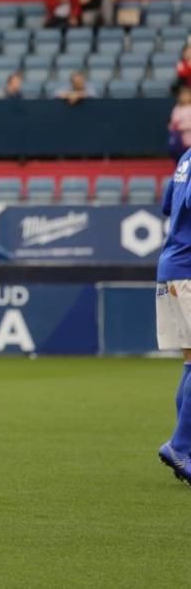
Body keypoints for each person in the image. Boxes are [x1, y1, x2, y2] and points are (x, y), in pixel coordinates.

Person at [155, 145, 191, 485]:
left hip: (172, 265)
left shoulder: (186, 157)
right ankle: (180, 447)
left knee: (190, 361)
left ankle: (185, 451)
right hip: (189, 270)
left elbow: (168, 205)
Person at [170, 86, 191, 161]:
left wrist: (182, 126)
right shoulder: (177, 108)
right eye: (183, 95)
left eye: (187, 95)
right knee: (182, 159)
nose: (185, 97)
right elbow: (173, 124)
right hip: (180, 140)